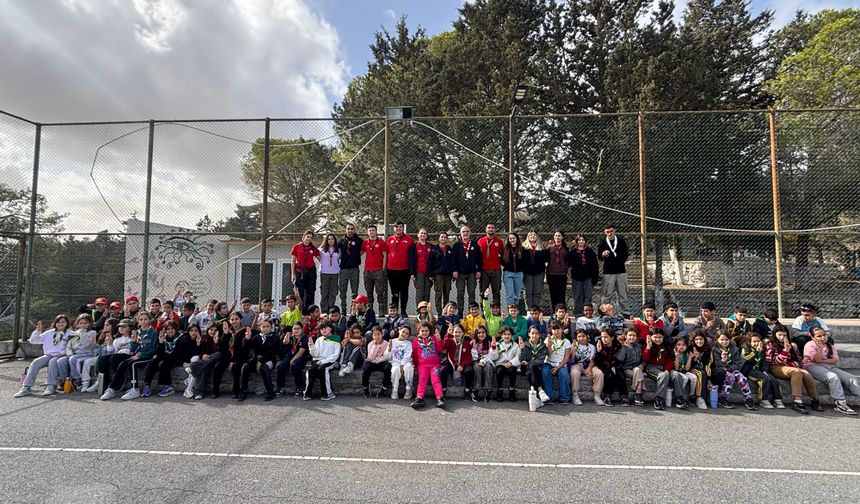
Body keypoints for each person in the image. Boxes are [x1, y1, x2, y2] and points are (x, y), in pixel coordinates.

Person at [100, 311, 158, 401]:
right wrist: (134, 342)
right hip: (137, 356)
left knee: (132, 364)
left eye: (146, 319)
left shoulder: (153, 333)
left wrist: (140, 355)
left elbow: (153, 349)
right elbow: (133, 349)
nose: (143, 321)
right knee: (123, 363)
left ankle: (135, 388)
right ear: (138, 321)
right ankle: (112, 388)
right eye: (141, 319)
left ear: (150, 320)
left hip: (147, 357)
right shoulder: (137, 332)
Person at [803, 326, 859, 415]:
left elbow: (834, 360)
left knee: (851, 378)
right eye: (819, 336)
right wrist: (820, 349)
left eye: (824, 335)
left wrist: (823, 361)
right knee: (833, 377)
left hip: (829, 367)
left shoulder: (830, 346)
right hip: (812, 366)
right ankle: (840, 403)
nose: (822, 337)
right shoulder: (810, 345)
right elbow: (816, 360)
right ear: (813, 337)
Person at [766, 324, 820, 414]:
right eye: (780, 335)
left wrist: (790, 354)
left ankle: (814, 399)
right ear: (774, 334)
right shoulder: (770, 344)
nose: (782, 337)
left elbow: (796, 361)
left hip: (789, 366)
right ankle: (797, 401)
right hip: (775, 368)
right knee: (796, 371)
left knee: (806, 373)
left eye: (784, 335)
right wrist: (785, 351)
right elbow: (774, 361)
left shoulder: (791, 344)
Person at [14, 316, 72, 397]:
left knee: (53, 362)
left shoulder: (70, 333)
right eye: (58, 322)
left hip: (61, 356)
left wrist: (62, 352)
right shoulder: (49, 333)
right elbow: (34, 341)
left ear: (67, 323)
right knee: (35, 362)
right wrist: (37, 331)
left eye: (63, 322)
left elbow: (72, 346)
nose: (60, 324)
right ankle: (26, 387)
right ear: (55, 323)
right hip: (48, 355)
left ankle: (51, 386)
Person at [142, 321, 196, 398]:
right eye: (168, 329)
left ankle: (169, 387)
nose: (170, 331)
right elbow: (159, 353)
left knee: (163, 364)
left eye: (172, 329)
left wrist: (162, 357)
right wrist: (160, 342)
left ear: (176, 329)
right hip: (166, 357)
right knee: (152, 363)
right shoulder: (163, 337)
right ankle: (147, 386)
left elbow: (178, 353)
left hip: (178, 359)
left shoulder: (182, 337)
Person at [84, 318, 134, 394]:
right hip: (118, 356)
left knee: (114, 357)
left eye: (124, 327)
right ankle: (106, 381)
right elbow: (112, 351)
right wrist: (110, 344)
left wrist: (134, 341)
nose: (121, 329)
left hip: (129, 356)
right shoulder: (117, 339)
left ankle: (120, 378)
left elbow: (134, 349)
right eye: (120, 327)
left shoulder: (133, 337)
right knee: (102, 359)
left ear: (130, 328)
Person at [710, 331, 757, 410]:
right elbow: (715, 364)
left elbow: (739, 363)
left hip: (731, 369)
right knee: (730, 376)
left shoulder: (733, 349)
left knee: (741, 377)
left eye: (727, 340)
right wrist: (723, 361)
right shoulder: (714, 350)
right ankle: (723, 398)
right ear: (717, 339)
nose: (724, 342)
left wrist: (729, 368)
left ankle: (749, 399)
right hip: (719, 370)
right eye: (722, 340)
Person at [238, 318, 278, 401]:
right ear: (260, 327)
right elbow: (247, 348)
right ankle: (243, 390)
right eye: (263, 326)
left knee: (263, 367)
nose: (265, 328)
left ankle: (270, 391)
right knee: (245, 367)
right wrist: (247, 339)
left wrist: (261, 361)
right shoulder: (257, 337)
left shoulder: (275, 337)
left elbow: (273, 352)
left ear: (271, 327)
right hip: (257, 359)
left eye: (267, 326)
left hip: (269, 360)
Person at [411, 321, 447, 409]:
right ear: (419, 331)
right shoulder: (416, 341)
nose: (424, 333)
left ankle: (440, 398)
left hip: (435, 364)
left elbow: (440, 349)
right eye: (422, 331)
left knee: (436, 380)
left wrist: (439, 340)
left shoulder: (434, 338)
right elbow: (415, 354)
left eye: (426, 331)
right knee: (422, 380)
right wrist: (415, 364)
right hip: (422, 365)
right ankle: (419, 397)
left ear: (429, 331)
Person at [740, 333, 781, 409]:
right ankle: (763, 400)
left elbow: (764, 362)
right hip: (749, 370)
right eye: (754, 341)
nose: (757, 343)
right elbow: (746, 358)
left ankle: (777, 399)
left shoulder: (762, 349)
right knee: (764, 379)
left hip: (759, 369)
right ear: (750, 342)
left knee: (773, 380)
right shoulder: (745, 348)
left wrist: (764, 370)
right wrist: (755, 352)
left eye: (758, 341)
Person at [597, 224, 630, 316]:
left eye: (611, 231)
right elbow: (599, 256)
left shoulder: (621, 240)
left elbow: (626, 254)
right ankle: (605, 313)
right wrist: (603, 255)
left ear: (615, 231)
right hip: (608, 272)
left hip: (621, 271)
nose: (609, 233)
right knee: (607, 294)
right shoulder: (602, 241)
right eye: (607, 232)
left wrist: (619, 260)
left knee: (623, 293)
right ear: (604, 232)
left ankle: (625, 312)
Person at [58, 314, 97, 391]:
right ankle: (64, 380)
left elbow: (87, 345)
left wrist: (82, 334)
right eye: (81, 323)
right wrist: (69, 354)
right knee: (61, 361)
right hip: (75, 354)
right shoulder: (73, 333)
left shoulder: (92, 333)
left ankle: (77, 379)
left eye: (85, 323)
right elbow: (69, 346)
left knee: (73, 359)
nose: (83, 325)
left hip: (87, 353)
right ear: (77, 324)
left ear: (89, 324)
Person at [304, 321, 341, 401]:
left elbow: (335, 355)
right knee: (312, 370)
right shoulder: (319, 339)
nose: (323, 330)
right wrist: (312, 347)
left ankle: (327, 393)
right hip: (318, 360)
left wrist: (323, 361)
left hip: (330, 361)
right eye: (321, 328)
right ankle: (308, 393)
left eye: (325, 328)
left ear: (330, 328)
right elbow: (315, 355)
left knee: (322, 369)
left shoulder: (336, 339)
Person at [453, 225, 482, 317]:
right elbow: (453, 260)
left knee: (471, 293)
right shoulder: (457, 245)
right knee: (460, 293)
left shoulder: (475, 244)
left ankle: (471, 311)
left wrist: (478, 270)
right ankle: (460, 311)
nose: (465, 233)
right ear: (460, 233)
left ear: (470, 233)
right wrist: (454, 270)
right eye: (463, 232)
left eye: (467, 231)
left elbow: (479, 259)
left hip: (472, 273)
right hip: (460, 273)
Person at [641, 329, 674, 410]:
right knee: (663, 376)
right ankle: (658, 399)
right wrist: (648, 347)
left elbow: (670, 360)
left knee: (675, 375)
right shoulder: (647, 345)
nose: (658, 339)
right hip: (651, 367)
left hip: (664, 367)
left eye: (660, 337)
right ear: (650, 337)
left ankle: (680, 398)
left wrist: (667, 369)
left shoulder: (666, 346)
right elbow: (645, 359)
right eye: (655, 337)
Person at [386, 221, 415, 314]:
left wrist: (411, 271)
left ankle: (403, 311)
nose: (398, 228)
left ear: (403, 228)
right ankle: (394, 311)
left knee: (404, 292)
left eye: (400, 227)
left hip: (404, 270)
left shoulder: (409, 240)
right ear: (394, 228)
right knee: (394, 292)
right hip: (391, 270)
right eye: (396, 227)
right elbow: (386, 254)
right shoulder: (389, 239)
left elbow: (412, 257)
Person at [440, 323, 475, 400]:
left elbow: (469, 357)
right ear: (453, 333)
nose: (457, 334)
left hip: (462, 365)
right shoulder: (450, 341)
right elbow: (444, 346)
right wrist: (448, 334)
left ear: (463, 333)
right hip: (451, 364)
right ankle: (443, 390)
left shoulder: (466, 343)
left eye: (459, 332)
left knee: (469, 371)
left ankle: (467, 390)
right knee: (442, 370)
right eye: (455, 332)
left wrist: (462, 365)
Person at [569, 329, 603, 406]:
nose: (581, 338)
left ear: (587, 336)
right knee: (574, 372)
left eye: (583, 336)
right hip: (578, 365)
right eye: (579, 337)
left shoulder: (591, 347)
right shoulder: (574, 345)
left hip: (589, 365)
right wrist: (574, 351)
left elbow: (593, 359)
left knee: (599, 373)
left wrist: (589, 368)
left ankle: (597, 395)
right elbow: (572, 360)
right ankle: (575, 394)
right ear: (576, 338)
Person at [594, 328, 627, 407]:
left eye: (606, 337)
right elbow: (597, 361)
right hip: (603, 365)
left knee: (621, 375)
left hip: (615, 365)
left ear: (612, 337)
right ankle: (607, 396)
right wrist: (598, 352)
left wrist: (613, 366)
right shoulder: (599, 344)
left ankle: (624, 396)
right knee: (609, 375)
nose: (603, 339)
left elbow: (619, 358)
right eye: (602, 337)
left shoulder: (617, 345)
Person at [542, 321, 572, 404]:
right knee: (545, 371)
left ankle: (564, 398)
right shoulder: (548, 340)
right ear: (551, 330)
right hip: (549, 362)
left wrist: (557, 367)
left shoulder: (566, 341)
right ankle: (549, 397)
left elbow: (566, 358)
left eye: (558, 328)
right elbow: (548, 354)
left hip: (560, 364)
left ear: (562, 329)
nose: (556, 331)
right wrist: (549, 345)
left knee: (564, 374)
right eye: (554, 329)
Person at [569, 234, 599, 317]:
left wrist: (595, 278)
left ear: (585, 241)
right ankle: (578, 313)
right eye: (579, 240)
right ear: (577, 241)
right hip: (576, 277)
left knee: (588, 296)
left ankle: (587, 313)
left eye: (583, 240)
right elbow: (568, 264)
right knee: (577, 295)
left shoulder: (590, 252)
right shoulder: (573, 252)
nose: (581, 241)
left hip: (588, 277)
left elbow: (595, 265)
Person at [276, 323, 309, 397]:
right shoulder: (290, 337)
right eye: (294, 329)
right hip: (289, 356)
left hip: (301, 357)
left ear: (302, 329)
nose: (296, 330)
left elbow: (301, 351)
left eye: (298, 328)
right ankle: (281, 386)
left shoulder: (304, 337)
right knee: (280, 367)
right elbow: (285, 346)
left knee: (295, 365)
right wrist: (285, 342)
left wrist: (292, 360)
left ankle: (299, 386)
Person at [487, 326, 519, 402]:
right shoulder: (498, 344)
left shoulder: (515, 345)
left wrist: (511, 362)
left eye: (509, 334)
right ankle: (499, 390)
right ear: (501, 335)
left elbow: (518, 357)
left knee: (512, 370)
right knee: (499, 371)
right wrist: (493, 348)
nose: (507, 336)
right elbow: (493, 358)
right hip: (500, 363)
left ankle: (511, 390)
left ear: (512, 335)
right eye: (504, 334)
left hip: (511, 363)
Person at [361, 224, 388, 314]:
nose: (371, 232)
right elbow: (360, 253)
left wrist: (383, 268)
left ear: (376, 231)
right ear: (367, 232)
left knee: (380, 292)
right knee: (369, 292)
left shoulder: (381, 242)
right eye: (370, 230)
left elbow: (385, 255)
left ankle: (382, 311)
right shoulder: (365, 243)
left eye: (373, 230)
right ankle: (370, 311)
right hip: (367, 271)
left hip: (379, 271)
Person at [518, 326, 549, 403]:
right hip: (525, 368)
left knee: (531, 371)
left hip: (537, 368)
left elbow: (541, 360)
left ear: (539, 335)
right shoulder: (525, 344)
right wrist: (522, 349)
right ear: (529, 334)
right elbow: (521, 359)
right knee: (531, 368)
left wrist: (529, 362)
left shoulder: (543, 346)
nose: (534, 335)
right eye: (532, 333)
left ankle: (533, 396)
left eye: (537, 333)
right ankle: (540, 390)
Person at [338, 223, 363, 313]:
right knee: (342, 291)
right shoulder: (341, 241)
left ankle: (353, 310)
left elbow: (362, 250)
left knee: (354, 292)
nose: (350, 230)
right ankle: (343, 310)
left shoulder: (359, 240)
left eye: (352, 229)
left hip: (354, 269)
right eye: (348, 229)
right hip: (344, 269)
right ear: (346, 229)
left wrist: (355, 257)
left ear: (354, 230)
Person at [291, 230, 321, 308]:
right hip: (299, 271)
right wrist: (293, 274)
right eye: (307, 236)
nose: (309, 239)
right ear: (303, 237)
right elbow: (293, 261)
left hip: (311, 271)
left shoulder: (313, 248)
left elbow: (320, 258)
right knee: (300, 291)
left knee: (310, 291)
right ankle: (300, 310)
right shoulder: (296, 247)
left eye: (311, 237)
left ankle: (309, 310)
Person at [362, 326, 392, 397]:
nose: (376, 336)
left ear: (382, 334)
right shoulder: (370, 344)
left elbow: (386, 357)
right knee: (366, 369)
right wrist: (375, 347)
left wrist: (389, 350)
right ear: (372, 336)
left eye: (378, 334)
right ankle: (365, 388)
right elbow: (370, 357)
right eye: (374, 335)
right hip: (372, 362)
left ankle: (384, 388)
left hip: (381, 362)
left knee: (388, 368)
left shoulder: (386, 343)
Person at [478, 223, 504, 304]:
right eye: (489, 228)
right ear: (486, 229)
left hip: (496, 270)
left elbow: (503, 255)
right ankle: (484, 312)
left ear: (495, 230)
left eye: (492, 228)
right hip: (484, 270)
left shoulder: (499, 241)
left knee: (496, 292)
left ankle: (496, 312)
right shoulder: (480, 241)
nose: (491, 229)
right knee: (483, 292)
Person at [522, 230, 548, 310]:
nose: (532, 236)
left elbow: (546, 258)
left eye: (534, 235)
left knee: (537, 291)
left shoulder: (542, 247)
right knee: (528, 292)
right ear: (528, 237)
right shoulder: (523, 247)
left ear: (537, 236)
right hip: (527, 272)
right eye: (530, 235)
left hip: (539, 272)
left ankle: (536, 309)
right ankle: (529, 309)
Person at [429, 231, 455, 311]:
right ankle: (439, 312)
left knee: (446, 294)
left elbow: (453, 262)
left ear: (447, 239)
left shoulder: (450, 249)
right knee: (438, 293)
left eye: (445, 237)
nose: (443, 238)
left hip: (448, 274)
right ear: (439, 238)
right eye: (442, 237)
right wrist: (431, 274)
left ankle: (446, 310)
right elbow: (430, 262)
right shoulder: (434, 249)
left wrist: (453, 272)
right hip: (438, 274)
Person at [617, 330, 643, 406]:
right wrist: (624, 347)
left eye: (634, 335)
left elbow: (642, 359)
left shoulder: (639, 346)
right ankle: (638, 393)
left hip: (636, 368)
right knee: (640, 375)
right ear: (626, 336)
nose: (632, 337)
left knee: (638, 370)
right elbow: (620, 359)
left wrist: (642, 365)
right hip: (626, 369)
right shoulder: (623, 346)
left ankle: (638, 393)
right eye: (630, 335)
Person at [546, 231, 569, 310]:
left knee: (561, 294)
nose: (557, 237)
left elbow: (568, 260)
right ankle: (554, 311)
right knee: (553, 294)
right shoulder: (549, 248)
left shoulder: (565, 248)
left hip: (562, 274)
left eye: (559, 236)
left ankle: (561, 311)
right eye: (555, 235)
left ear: (562, 237)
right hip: (551, 273)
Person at [318, 233, 341, 314]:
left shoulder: (338, 250)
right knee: (324, 292)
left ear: (334, 240)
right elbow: (318, 257)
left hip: (334, 273)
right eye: (329, 239)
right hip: (324, 273)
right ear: (326, 240)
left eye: (332, 239)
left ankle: (331, 310)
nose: (330, 241)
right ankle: (324, 311)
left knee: (333, 292)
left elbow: (339, 259)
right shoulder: (321, 249)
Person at [390, 326, 415, 400]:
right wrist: (389, 349)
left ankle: (408, 388)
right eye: (403, 332)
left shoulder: (408, 343)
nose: (404, 334)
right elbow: (388, 356)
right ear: (399, 331)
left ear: (408, 336)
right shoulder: (393, 341)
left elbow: (408, 355)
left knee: (408, 368)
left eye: (407, 333)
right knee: (395, 370)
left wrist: (402, 365)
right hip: (395, 362)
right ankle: (395, 389)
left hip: (406, 362)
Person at [500, 232, 524, 308]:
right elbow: (502, 262)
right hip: (508, 273)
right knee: (510, 294)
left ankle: (515, 310)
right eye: (510, 238)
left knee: (516, 295)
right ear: (508, 240)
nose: (512, 240)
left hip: (518, 274)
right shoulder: (505, 249)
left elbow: (525, 261)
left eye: (513, 238)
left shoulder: (521, 249)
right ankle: (511, 311)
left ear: (517, 239)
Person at [411, 228, 434, 307]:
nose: (423, 235)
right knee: (420, 293)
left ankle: (426, 312)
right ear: (418, 235)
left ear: (427, 236)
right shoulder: (414, 247)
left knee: (427, 292)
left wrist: (432, 274)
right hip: (418, 273)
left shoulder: (431, 246)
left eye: (425, 233)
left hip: (428, 273)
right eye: (421, 233)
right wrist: (412, 274)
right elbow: (411, 261)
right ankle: (419, 311)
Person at [689, 331, 712, 409]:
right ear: (693, 340)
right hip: (691, 369)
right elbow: (689, 365)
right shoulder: (690, 348)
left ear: (704, 339)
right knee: (701, 373)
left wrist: (709, 380)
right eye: (696, 339)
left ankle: (708, 397)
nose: (699, 341)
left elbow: (708, 364)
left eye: (701, 339)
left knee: (706, 373)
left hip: (704, 369)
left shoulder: (707, 350)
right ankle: (699, 397)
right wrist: (695, 358)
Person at [471, 325, 494, 401]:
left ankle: (488, 390)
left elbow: (491, 355)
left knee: (488, 367)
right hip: (476, 361)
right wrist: (474, 348)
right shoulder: (474, 342)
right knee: (477, 368)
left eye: (483, 332)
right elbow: (473, 357)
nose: (481, 334)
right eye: (479, 333)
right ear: (476, 334)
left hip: (486, 360)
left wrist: (484, 359)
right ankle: (475, 390)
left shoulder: (489, 343)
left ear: (486, 333)